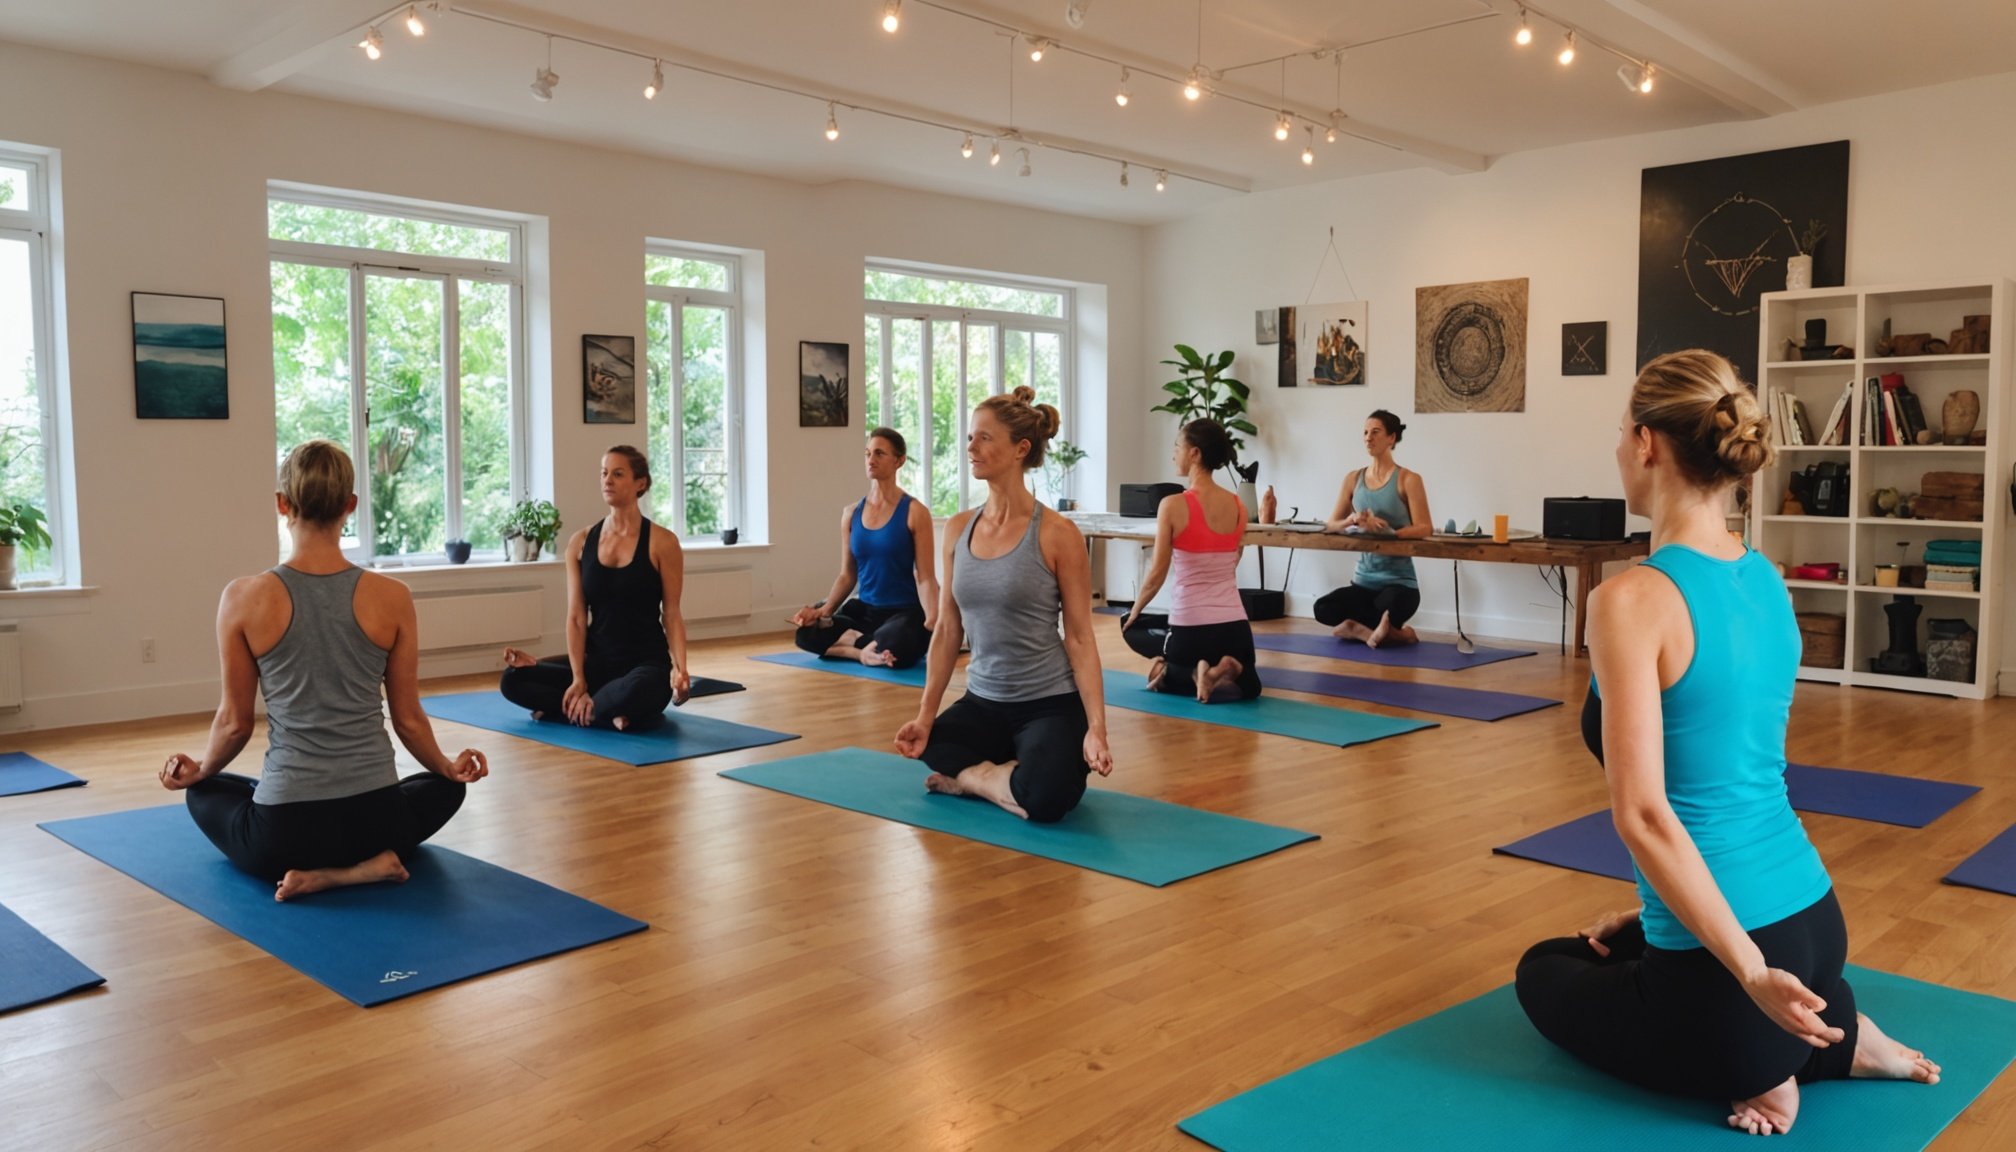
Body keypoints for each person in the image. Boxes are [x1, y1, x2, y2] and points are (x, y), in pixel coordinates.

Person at [1513, 350, 1939, 1136]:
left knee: (1542, 969)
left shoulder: (1628, 599)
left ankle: (1776, 1068)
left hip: (1741, 975)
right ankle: (1841, 1033)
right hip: (1815, 921)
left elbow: (1644, 815)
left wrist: (1748, 971)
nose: (1617, 449)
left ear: (1646, 443)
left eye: (1620, 433)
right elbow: (1731, 773)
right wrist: (1651, 918)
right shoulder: (1766, 578)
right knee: (1614, 944)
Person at [159, 441, 488, 901]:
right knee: (445, 788)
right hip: (379, 824)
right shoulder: (393, 597)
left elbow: (234, 724)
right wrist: (448, 767)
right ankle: (361, 869)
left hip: (284, 838)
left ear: (282, 504)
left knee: (207, 791)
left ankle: (321, 875)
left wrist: (201, 770)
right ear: (350, 506)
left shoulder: (242, 598)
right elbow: (409, 720)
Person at [893, 385, 1113, 822]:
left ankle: (975, 779)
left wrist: (1096, 729)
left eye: (984, 438)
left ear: (1020, 449)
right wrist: (924, 716)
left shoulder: (1058, 534)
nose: (970, 447)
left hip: (1049, 702)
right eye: (970, 437)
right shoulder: (959, 529)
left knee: (1051, 798)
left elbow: (1080, 638)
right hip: (984, 701)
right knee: (931, 743)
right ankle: (999, 779)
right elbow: (948, 630)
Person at [499, 445, 692, 730]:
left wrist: (681, 669)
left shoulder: (662, 542)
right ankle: (603, 710)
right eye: (604, 473)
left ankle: (582, 708)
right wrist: (578, 678)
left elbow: (672, 613)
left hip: (644, 667)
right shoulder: (580, 542)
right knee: (513, 679)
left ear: (640, 483)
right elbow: (577, 617)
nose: (607, 480)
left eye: (618, 474)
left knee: (643, 688)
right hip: (596, 665)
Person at [1119, 418, 1261, 702]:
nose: (1174, 454)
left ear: (1194, 453)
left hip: (1191, 629)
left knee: (1134, 631)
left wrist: (1135, 611)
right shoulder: (1238, 505)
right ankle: (1225, 670)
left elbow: (1157, 573)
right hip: (1235, 629)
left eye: (1177, 446)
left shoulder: (1172, 505)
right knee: (1251, 688)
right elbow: (1233, 560)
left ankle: (1190, 673)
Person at [788, 427, 938, 668]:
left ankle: (856, 643)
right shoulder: (851, 513)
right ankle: (861, 652)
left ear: (899, 461)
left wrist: (933, 620)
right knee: (805, 635)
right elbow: (847, 575)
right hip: (864, 611)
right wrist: (824, 611)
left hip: (904, 612)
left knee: (898, 642)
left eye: (880, 453)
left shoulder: (915, 512)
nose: (871, 460)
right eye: (868, 453)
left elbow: (925, 577)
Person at [1316, 409, 1433, 646]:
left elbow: (1425, 528)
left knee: (1393, 603)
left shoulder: (1409, 479)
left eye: (1375, 432)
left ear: (1391, 438)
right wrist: (1352, 520)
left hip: (1399, 584)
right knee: (1323, 608)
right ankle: (1387, 633)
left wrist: (1388, 532)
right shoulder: (1353, 479)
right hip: (1363, 583)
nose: (1368, 438)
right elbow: (1330, 525)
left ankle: (1365, 628)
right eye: (1365, 432)